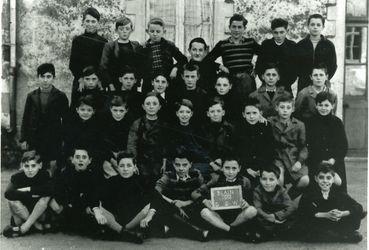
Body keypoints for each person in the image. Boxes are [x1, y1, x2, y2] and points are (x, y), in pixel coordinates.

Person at [140, 151, 209, 241]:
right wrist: (173, 202)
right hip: (172, 209)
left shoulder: (196, 175)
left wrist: (184, 203)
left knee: (159, 222)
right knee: (167, 209)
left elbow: (203, 194)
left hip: (191, 208)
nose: (181, 168)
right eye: (177, 165)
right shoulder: (168, 175)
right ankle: (197, 233)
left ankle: (168, 228)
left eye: (184, 165)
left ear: (190, 165)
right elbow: (156, 192)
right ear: (173, 164)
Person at [20, 63, 69, 176]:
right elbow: (26, 118)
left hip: (53, 138)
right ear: (38, 77)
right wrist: (23, 139)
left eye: (48, 77)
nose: (45, 80)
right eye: (42, 77)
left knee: (52, 167)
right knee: (35, 165)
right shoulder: (31, 96)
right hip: (35, 138)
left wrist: (64, 139)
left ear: (53, 78)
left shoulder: (60, 96)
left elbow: (66, 120)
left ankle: (50, 189)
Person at [193, 156, 257, 241]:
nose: (230, 172)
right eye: (227, 168)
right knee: (204, 212)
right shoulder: (216, 179)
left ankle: (225, 229)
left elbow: (250, 199)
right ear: (222, 168)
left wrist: (247, 204)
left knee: (252, 210)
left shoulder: (245, 181)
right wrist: (205, 201)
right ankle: (232, 231)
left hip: (237, 217)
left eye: (234, 168)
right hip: (219, 216)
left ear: (239, 169)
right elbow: (194, 193)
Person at [90, 152, 149, 243]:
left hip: (134, 220)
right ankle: (123, 232)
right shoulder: (112, 181)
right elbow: (95, 196)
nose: (125, 169)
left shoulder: (142, 181)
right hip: (115, 220)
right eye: (122, 166)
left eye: (129, 166)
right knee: (97, 208)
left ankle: (121, 232)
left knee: (149, 207)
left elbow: (154, 197)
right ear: (117, 167)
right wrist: (97, 212)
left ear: (134, 167)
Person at [297, 164, 364, 243]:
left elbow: (358, 206)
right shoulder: (309, 193)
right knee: (311, 231)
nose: (325, 181)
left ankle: (338, 234)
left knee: (354, 213)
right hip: (318, 223)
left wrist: (342, 213)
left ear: (333, 180)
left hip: (335, 223)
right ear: (316, 179)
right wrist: (326, 215)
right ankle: (341, 235)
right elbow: (304, 212)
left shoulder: (338, 193)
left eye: (328, 178)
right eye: (321, 177)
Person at [202, 14, 260, 97]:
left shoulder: (250, 42)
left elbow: (265, 55)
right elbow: (207, 60)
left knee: (249, 105)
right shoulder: (222, 44)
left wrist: (257, 69)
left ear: (244, 28)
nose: (236, 30)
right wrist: (220, 67)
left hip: (247, 81)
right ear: (229, 27)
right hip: (231, 81)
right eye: (234, 27)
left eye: (239, 27)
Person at [49, 147, 103, 235]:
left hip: (84, 208)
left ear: (89, 160)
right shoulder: (66, 174)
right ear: (72, 160)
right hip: (69, 208)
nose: (80, 160)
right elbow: (58, 191)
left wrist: (92, 207)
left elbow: (94, 195)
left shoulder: (93, 176)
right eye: (77, 157)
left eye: (84, 157)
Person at [268, 93, 309, 200]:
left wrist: (300, 162)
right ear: (276, 108)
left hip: (293, 158)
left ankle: (288, 197)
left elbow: (303, 146)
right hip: (277, 158)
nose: (285, 110)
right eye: (282, 107)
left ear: (293, 109)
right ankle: (279, 201)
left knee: (305, 180)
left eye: (288, 107)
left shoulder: (299, 125)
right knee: (279, 180)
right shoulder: (270, 122)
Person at [3, 151, 52, 238]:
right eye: (26, 166)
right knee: (11, 202)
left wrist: (28, 189)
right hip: (22, 213)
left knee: (46, 197)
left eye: (33, 166)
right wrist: (33, 194)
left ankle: (24, 228)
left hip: (37, 212)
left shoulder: (44, 175)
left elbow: (50, 190)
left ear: (39, 165)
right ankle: (35, 225)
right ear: (22, 166)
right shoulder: (17, 177)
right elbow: (8, 193)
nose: (30, 170)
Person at [306, 91, 347, 191]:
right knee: (317, 183)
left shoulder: (337, 122)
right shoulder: (310, 122)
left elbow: (343, 146)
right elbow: (309, 145)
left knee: (338, 182)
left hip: (334, 161)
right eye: (320, 105)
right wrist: (320, 160)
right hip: (315, 161)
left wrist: (333, 159)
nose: (323, 108)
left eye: (326, 105)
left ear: (332, 106)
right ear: (316, 105)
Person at [127, 92, 168, 188]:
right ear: (143, 106)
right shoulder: (137, 123)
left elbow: (166, 145)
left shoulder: (164, 125)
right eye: (148, 104)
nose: (151, 107)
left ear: (159, 107)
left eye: (154, 104)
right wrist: (133, 163)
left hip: (159, 163)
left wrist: (165, 162)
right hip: (141, 163)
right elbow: (132, 144)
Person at [232, 97, 275, 187]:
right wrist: (246, 168)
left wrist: (261, 168)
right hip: (245, 167)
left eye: (254, 113)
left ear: (260, 113)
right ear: (243, 114)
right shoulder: (239, 128)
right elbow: (236, 151)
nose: (251, 116)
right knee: (245, 183)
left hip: (262, 166)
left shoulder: (266, 127)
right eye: (248, 113)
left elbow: (269, 150)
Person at [69, 7, 107, 105]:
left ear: (98, 23)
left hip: (97, 82)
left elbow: (104, 64)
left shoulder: (103, 42)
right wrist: (81, 79)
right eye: (88, 21)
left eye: (93, 21)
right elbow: (73, 64)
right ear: (83, 22)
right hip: (80, 81)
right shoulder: (77, 41)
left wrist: (98, 80)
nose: (90, 24)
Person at [165, 99, 210, 178]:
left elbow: (201, 150)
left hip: (195, 164)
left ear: (191, 114)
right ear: (177, 113)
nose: (184, 115)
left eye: (187, 112)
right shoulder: (172, 130)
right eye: (181, 112)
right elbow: (170, 151)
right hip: (178, 165)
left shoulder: (197, 130)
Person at [141, 17, 187, 93]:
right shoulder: (143, 48)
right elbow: (140, 66)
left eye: (158, 31)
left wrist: (175, 68)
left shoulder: (169, 45)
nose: (155, 34)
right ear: (147, 31)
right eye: (152, 31)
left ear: (164, 32)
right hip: (149, 82)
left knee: (170, 99)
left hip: (167, 79)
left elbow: (183, 60)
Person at [100, 16, 145, 91]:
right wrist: (110, 85)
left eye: (127, 29)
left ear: (131, 30)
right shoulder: (110, 46)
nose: (124, 31)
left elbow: (140, 66)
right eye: (121, 29)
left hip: (131, 84)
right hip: (114, 85)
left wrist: (137, 82)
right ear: (116, 30)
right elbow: (103, 67)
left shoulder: (136, 45)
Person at [295, 14, 337, 92]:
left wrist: (323, 79)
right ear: (308, 26)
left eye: (318, 25)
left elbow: (333, 66)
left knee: (322, 103)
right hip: (304, 84)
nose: (315, 27)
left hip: (322, 84)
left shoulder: (329, 45)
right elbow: (295, 65)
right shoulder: (300, 45)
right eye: (312, 24)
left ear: (323, 27)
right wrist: (305, 76)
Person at [253, 166, 295, 242]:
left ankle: (275, 232)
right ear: (260, 179)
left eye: (271, 179)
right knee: (256, 223)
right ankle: (269, 233)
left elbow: (290, 206)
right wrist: (268, 217)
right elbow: (257, 208)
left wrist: (275, 216)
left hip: (278, 218)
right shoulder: (257, 191)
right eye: (264, 179)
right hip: (264, 218)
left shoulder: (281, 191)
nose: (267, 183)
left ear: (277, 181)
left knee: (291, 222)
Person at [255, 18, 297, 94]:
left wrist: (284, 84)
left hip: (285, 87)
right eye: (276, 33)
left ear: (287, 31)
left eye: (282, 32)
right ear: (272, 32)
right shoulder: (266, 45)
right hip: (267, 86)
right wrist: (268, 82)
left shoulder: (292, 46)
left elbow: (294, 71)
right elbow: (259, 67)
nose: (279, 35)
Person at [198, 97, 234, 181]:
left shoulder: (230, 128)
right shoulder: (203, 129)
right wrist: (211, 162)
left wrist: (222, 159)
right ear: (208, 113)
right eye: (212, 111)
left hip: (226, 162)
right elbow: (200, 148)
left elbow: (233, 148)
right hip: (208, 163)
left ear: (223, 112)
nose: (215, 114)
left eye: (218, 111)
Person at [101, 95, 135, 178]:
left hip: (125, 155)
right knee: (110, 171)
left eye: (121, 110)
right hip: (110, 155)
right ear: (110, 109)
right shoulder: (104, 120)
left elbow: (132, 142)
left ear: (126, 110)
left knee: (126, 171)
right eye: (115, 110)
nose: (118, 113)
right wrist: (111, 158)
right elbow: (102, 142)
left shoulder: (130, 122)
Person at [63, 95, 102, 163]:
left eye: (89, 110)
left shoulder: (96, 126)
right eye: (82, 109)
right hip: (73, 157)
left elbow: (97, 145)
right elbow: (68, 144)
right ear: (77, 110)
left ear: (93, 111)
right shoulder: (71, 125)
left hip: (89, 158)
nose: (85, 112)